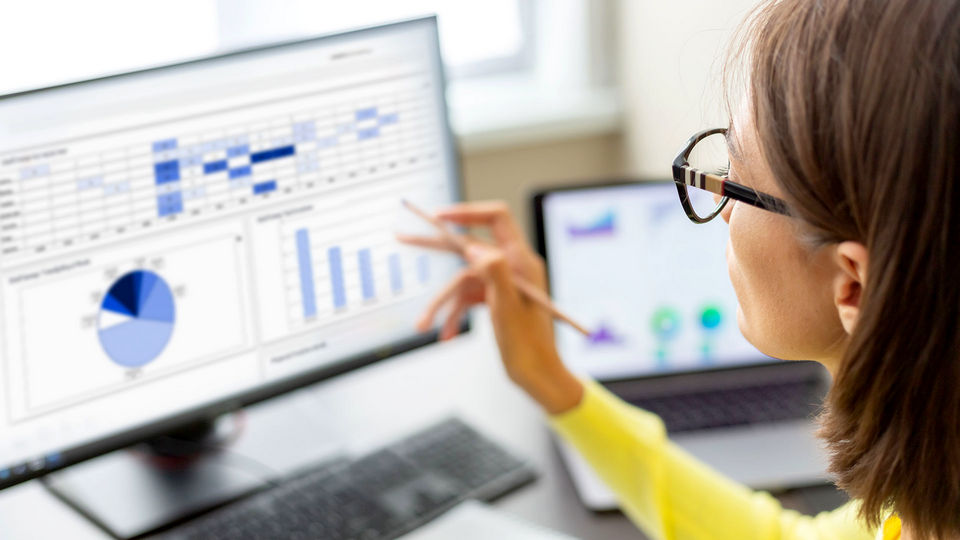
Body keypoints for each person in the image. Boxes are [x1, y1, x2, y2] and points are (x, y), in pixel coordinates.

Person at [399, 0, 960, 538]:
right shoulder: (919, 498)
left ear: (854, 286)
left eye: (736, 181)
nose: (725, 217)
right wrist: (551, 380)